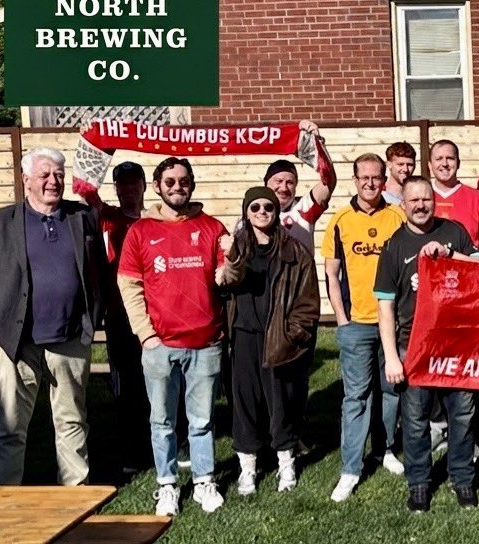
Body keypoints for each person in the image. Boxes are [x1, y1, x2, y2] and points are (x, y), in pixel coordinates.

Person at [0, 147, 107, 486]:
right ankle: (6, 497)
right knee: (10, 426)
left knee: (72, 421)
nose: (53, 181)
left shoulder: (83, 218)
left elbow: (98, 271)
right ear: (26, 179)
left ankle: (76, 496)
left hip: (70, 340)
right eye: (44, 174)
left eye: (59, 174)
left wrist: (92, 317)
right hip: (16, 343)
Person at [118, 157, 230, 516]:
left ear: (192, 185)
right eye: (170, 181)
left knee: (202, 420)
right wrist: (146, 334)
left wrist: (234, 258)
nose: (177, 187)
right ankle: (167, 484)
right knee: (161, 421)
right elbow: (129, 285)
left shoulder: (212, 227)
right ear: (157, 187)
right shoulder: (140, 231)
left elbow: (226, 279)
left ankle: (203, 481)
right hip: (160, 345)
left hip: (205, 342)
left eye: (183, 181)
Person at [375, 176, 479, 512]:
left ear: (434, 201)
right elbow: (385, 307)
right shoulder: (393, 246)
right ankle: (419, 482)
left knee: (462, 415)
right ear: (404, 204)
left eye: (426, 199)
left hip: (456, 343)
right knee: (415, 418)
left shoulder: (454, 232)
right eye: (414, 200)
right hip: (414, 346)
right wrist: (392, 358)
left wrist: (450, 254)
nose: (421, 206)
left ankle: (462, 478)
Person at [218, 186, 320, 495]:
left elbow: (308, 302)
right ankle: (248, 467)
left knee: (281, 403)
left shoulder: (295, 251)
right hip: (244, 336)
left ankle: (286, 462)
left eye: (268, 207)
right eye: (255, 207)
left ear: (277, 212)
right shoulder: (235, 247)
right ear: (246, 213)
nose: (262, 212)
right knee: (245, 403)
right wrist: (231, 257)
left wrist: (292, 335)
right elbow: (226, 282)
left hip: (279, 337)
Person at [324, 154, 408, 502]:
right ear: (355, 180)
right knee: (356, 396)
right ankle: (350, 468)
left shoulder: (398, 217)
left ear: (384, 180)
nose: (371, 183)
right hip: (357, 322)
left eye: (376, 178)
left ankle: (384, 449)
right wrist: (341, 319)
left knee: (391, 390)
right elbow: (331, 274)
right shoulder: (340, 220)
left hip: (393, 322)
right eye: (364, 178)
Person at [83, 160, 152, 474]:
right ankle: (133, 450)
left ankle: (164, 441)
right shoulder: (108, 217)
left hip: (153, 314)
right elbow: (89, 195)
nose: (128, 189)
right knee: (127, 384)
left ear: (144, 186)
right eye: (122, 184)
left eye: (133, 183)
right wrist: (96, 154)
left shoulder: (153, 220)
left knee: (158, 380)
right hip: (119, 314)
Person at [256, 119, 336, 251]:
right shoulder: (253, 212)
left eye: (290, 183)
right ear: (266, 183)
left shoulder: (304, 207)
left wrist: (317, 144)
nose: (283, 188)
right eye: (278, 181)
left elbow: (328, 180)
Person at [428, 139, 479, 263]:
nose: (444, 163)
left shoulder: (478, 198)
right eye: (439, 158)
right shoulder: (421, 197)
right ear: (430, 165)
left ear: (458, 163)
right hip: (429, 271)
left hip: (467, 272)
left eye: (450, 158)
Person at [383, 141, 417, 206]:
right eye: (400, 164)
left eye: (410, 165)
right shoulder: (380, 197)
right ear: (389, 164)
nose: (405, 169)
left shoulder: (418, 196)